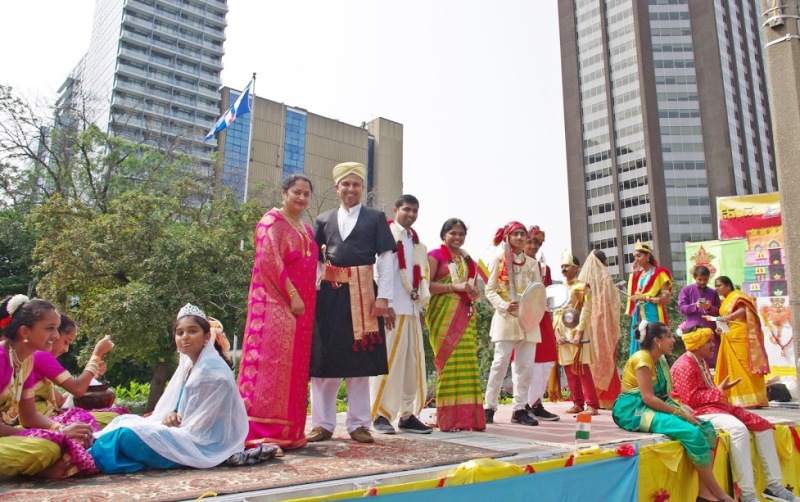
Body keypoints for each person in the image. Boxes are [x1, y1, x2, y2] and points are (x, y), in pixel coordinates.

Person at [91, 304, 250, 473]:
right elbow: (183, 408)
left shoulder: (211, 372)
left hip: (201, 443)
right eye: (180, 332)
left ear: (206, 336)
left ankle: (90, 455)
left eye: (192, 331)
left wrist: (172, 423)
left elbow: (201, 426)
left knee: (125, 435)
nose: (185, 337)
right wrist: (172, 415)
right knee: (123, 421)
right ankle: (96, 453)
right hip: (184, 433)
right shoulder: (191, 366)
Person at [308, 162, 396, 445]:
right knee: (324, 359)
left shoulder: (375, 217)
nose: (350, 189)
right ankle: (322, 424)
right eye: (345, 184)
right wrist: (312, 292)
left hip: (364, 292)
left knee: (359, 360)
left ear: (363, 189)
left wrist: (384, 296)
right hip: (329, 294)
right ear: (337, 188)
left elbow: (385, 257)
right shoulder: (322, 219)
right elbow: (316, 261)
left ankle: (359, 424)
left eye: (356, 184)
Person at [671, 327, 800, 502]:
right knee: (739, 430)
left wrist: (719, 392)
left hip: (713, 406)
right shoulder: (684, 365)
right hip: (694, 412)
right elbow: (690, 399)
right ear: (696, 345)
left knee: (763, 426)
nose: (712, 345)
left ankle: (774, 486)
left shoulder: (699, 360)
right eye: (708, 342)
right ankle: (748, 495)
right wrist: (719, 391)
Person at [238, 174, 319, 450]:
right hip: (275, 304)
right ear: (284, 193)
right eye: (296, 192)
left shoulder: (306, 229)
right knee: (271, 364)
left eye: (306, 194)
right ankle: (262, 430)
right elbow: (269, 261)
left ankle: (292, 431)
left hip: (302, 310)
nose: (302, 198)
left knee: (295, 366)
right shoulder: (271, 222)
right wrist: (293, 296)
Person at [612, 321, 733, 502]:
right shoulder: (642, 359)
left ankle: (704, 492)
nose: (673, 340)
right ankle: (720, 494)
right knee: (691, 432)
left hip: (653, 403)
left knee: (706, 429)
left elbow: (663, 395)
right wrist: (681, 414)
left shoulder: (660, 359)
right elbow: (648, 398)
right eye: (668, 336)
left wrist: (681, 408)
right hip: (633, 410)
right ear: (657, 341)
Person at [0, 295, 97, 478]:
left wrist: (59, 430)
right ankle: (41, 468)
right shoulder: (1, 358)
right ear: (25, 332)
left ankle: (41, 467)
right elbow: (77, 389)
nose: (56, 336)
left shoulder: (25, 361)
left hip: (7, 435)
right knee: (46, 447)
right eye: (49, 329)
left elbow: (29, 416)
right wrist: (40, 435)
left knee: (57, 441)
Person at [370, 195, 433, 435]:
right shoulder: (386, 235)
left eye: (415, 210)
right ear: (395, 210)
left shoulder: (416, 242)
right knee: (388, 364)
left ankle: (407, 415)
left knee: (411, 365)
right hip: (391, 311)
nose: (411, 214)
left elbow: (420, 279)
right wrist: (386, 303)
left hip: (412, 311)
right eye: (406, 209)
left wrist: (420, 310)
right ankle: (380, 414)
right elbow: (379, 272)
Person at [426, 218, 485, 432]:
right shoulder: (435, 255)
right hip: (442, 316)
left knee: (467, 364)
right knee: (449, 364)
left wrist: (472, 291)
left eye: (461, 234)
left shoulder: (467, 261)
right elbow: (428, 286)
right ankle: (449, 419)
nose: (457, 237)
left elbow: (469, 285)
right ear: (444, 235)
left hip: (465, 315)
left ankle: (469, 419)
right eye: (453, 233)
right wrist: (454, 286)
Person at [483, 221, 542, 426]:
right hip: (506, 318)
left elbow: (538, 291)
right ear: (507, 238)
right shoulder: (499, 260)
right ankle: (489, 407)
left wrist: (532, 310)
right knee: (499, 363)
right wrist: (504, 305)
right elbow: (489, 290)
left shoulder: (533, 264)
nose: (519, 238)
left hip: (529, 320)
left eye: (521, 234)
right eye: (514, 234)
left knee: (525, 366)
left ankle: (519, 409)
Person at [31, 314, 127, 429]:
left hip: (51, 419)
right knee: (117, 416)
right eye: (66, 342)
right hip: (45, 423)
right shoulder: (40, 355)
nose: (66, 349)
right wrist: (96, 355)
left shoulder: (39, 356)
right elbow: (78, 390)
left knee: (117, 415)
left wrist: (91, 377)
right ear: (54, 336)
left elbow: (61, 400)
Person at [710, 276, 769, 408]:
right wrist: (722, 327)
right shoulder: (725, 301)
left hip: (741, 335)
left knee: (746, 366)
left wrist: (729, 317)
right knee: (733, 368)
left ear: (728, 285)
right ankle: (739, 399)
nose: (717, 288)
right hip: (729, 335)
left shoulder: (738, 295)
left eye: (719, 285)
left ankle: (753, 399)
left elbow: (743, 310)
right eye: (716, 286)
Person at [578, 249, 622, 409]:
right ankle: (607, 398)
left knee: (593, 358)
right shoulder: (605, 278)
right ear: (603, 263)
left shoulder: (583, 279)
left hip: (589, 321)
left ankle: (592, 396)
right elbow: (613, 302)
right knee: (606, 358)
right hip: (604, 322)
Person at [556, 252, 600, 415]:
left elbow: (587, 310)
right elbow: (555, 312)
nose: (563, 269)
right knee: (569, 369)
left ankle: (592, 406)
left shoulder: (583, 287)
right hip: (563, 332)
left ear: (576, 268)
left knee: (582, 369)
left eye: (567, 266)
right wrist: (557, 334)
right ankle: (578, 404)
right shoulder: (559, 289)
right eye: (562, 266)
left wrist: (579, 332)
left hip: (578, 334)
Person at [524, 225, 560, 421]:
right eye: (530, 241)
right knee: (524, 361)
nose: (533, 245)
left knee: (546, 359)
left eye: (537, 242)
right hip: (522, 317)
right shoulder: (514, 264)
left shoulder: (544, 268)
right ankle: (522, 405)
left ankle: (536, 403)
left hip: (542, 317)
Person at [626, 240, 672, 355]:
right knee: (640, 344)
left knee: (653, 343)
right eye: (634, 256)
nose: (636, 259)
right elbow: (633, 294)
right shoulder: (639, 275)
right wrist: (634, 275)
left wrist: (646, 298)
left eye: (639, 256)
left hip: (653, 314)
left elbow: (667, 299)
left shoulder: (660, 273)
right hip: (639, 314)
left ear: (648, 256)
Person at [678, 266, 721, 367]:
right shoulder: (686, 290)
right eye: (700, 279)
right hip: (693, 330)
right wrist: (695, 306)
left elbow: (718, 312)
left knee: (712, 360)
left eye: (705, 279)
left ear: (708, 278)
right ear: (694, 277)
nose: (702, 282)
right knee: (693, 360)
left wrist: (710, 307)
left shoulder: (713, 292)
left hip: (709, 329)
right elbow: (681, 308)